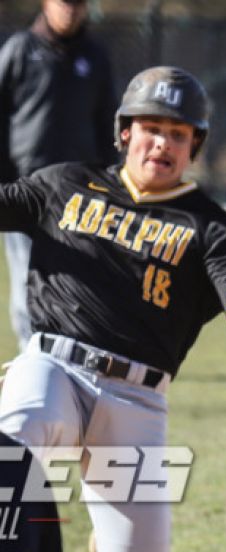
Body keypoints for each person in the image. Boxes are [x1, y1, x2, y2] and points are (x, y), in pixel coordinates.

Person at [0, 65, 226, 552]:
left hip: (135, 401)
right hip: (53, 368)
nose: (162, 143)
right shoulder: (65, 185)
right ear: (125, 133)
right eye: (151, 128)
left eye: (178, 134)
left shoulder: (209, 228)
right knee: (9, 448)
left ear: (195, 146)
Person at [0, 0, 118, 351]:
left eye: (79, 4)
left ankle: (69, 357)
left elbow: (107, 124)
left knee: (80, 281)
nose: (71, 10)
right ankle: (32, 356)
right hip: (26, 190)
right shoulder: (21, 50)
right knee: (27, 279)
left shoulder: (95, 57)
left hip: (80, 195)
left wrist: (111, 182)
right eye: (64, 3)